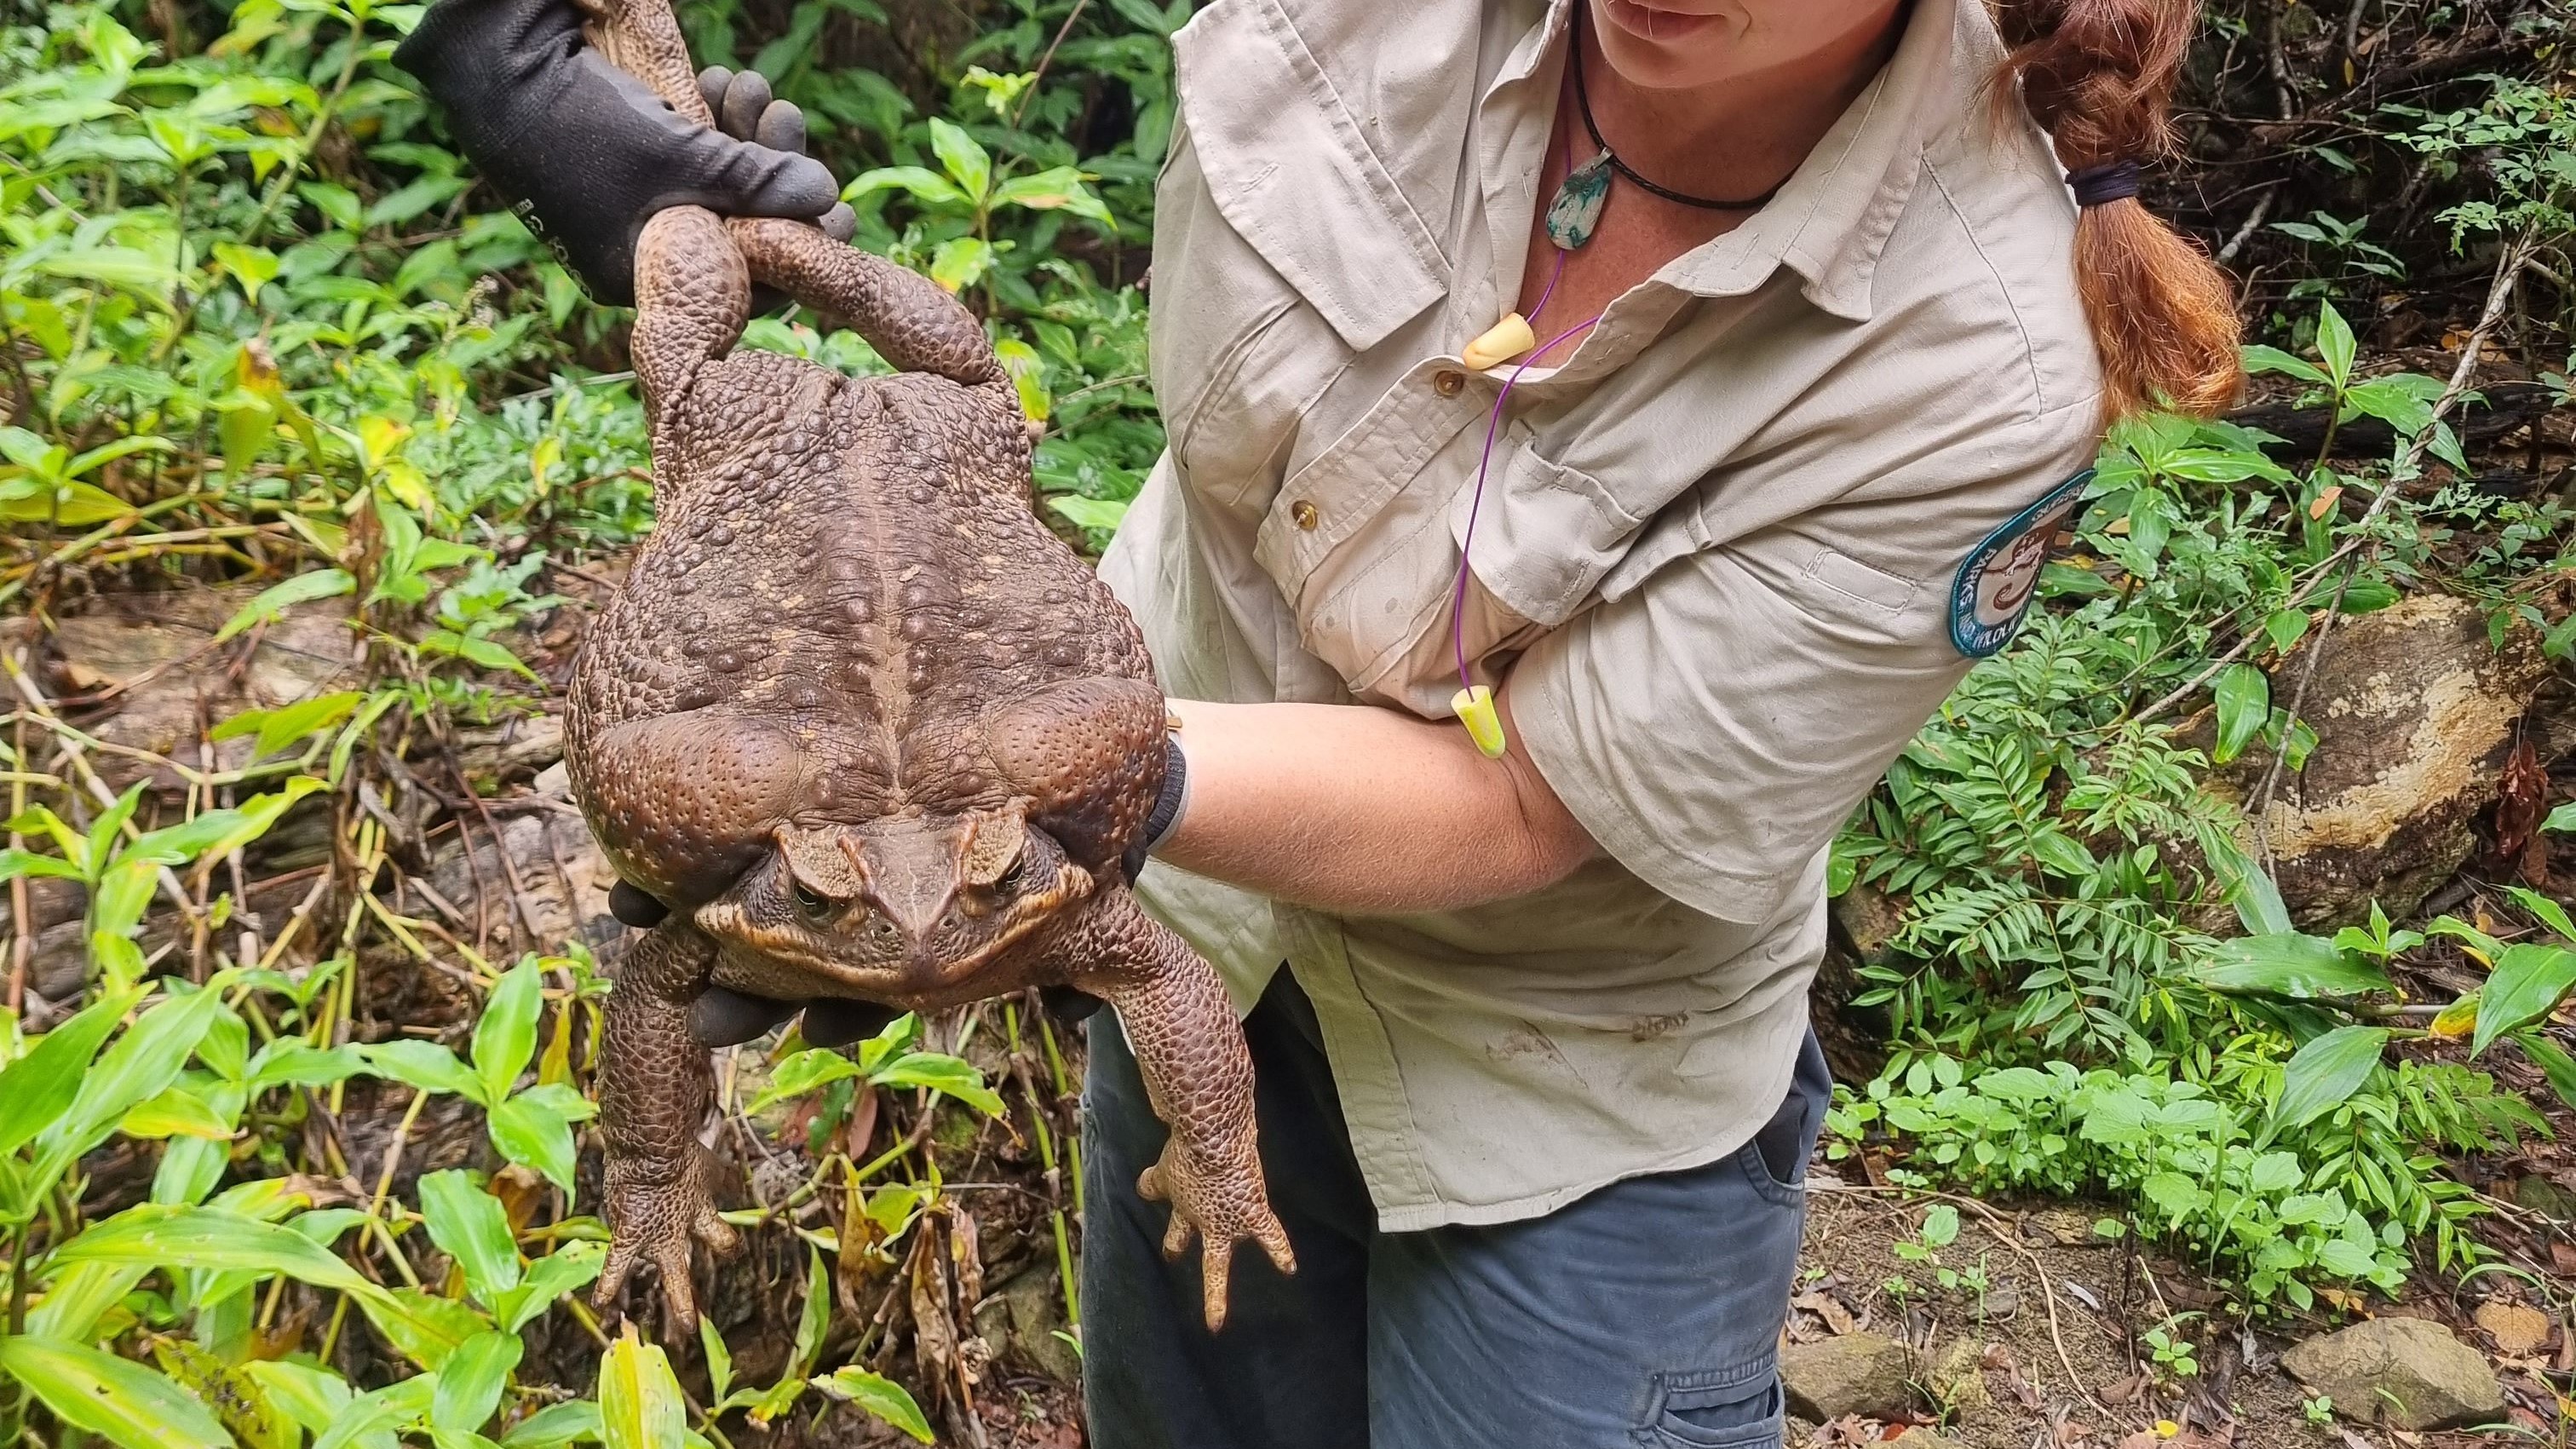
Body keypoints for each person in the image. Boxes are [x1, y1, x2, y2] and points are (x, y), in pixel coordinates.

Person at [398, 0, 2240, 1442]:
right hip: (1188, 925)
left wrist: (1059, 788)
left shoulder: (1980, 356)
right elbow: (930, 422)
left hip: (1555, 1075)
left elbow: (1533, 809)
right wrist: (691, 247)